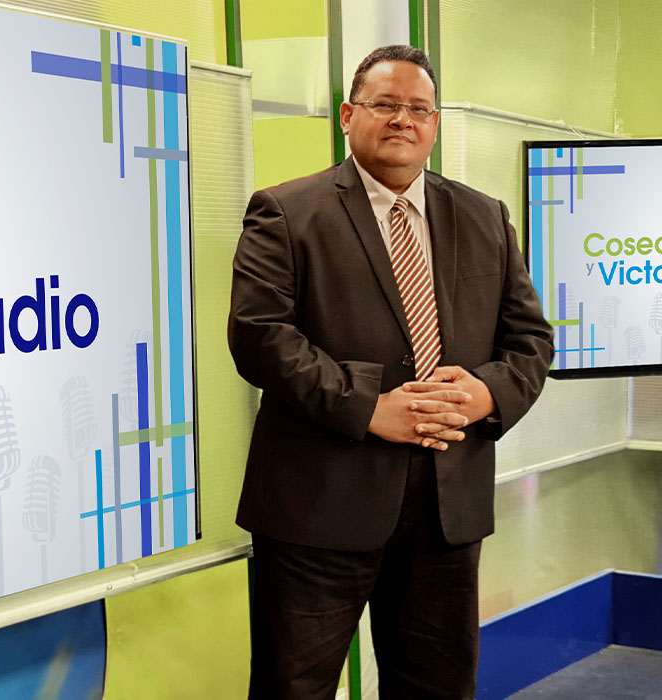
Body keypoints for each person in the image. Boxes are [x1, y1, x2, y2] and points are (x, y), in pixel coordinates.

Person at [228, 44, 555, 700]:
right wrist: (368, 407)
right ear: (348, 116)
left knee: (438, 687)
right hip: (318, 507)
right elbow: (260, 337)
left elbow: (530, 341)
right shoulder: (286, 212)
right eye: (385, 104)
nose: (403, 119)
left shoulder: (485, 216)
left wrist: (485, 394)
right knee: (295, 688)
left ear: (435, 124)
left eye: (418, 108)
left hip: (447, 509)